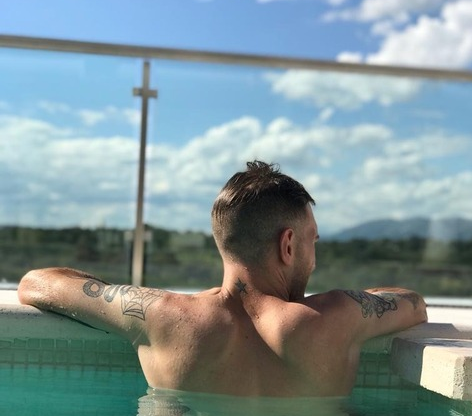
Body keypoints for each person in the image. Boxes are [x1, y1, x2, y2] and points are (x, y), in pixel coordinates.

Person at [18, 160, 427, 397]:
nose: (314, 260)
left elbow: (36, 283)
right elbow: (413, 303)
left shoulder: (159, 314)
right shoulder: (338, 316)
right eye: (311, 241)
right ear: (288, 245)